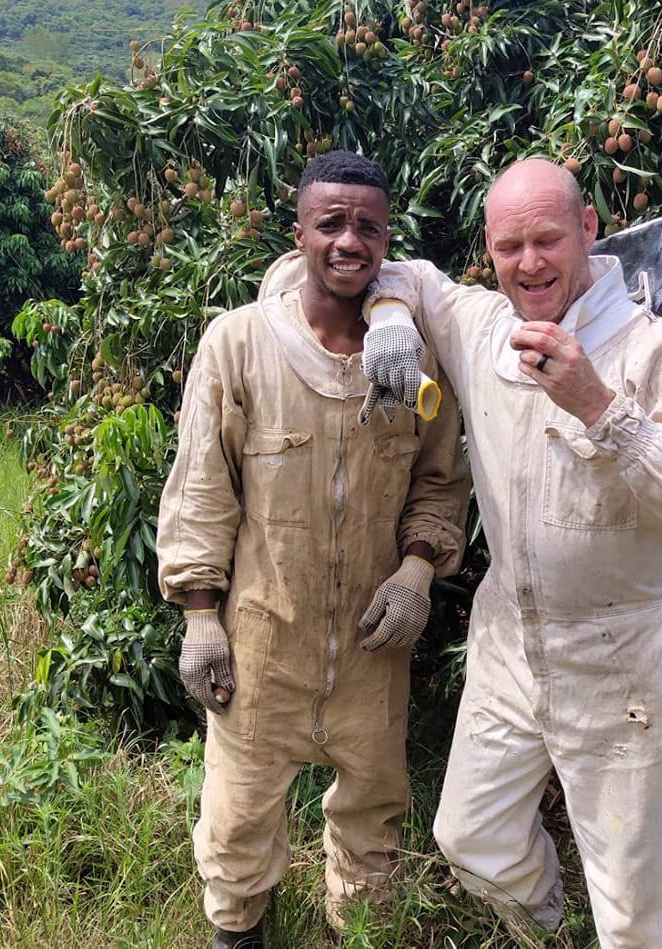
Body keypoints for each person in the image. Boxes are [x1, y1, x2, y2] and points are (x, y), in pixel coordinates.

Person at [266, 158, 662, 948]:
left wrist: (604, 410)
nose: (528, 263)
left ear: (590, 229)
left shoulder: (656, 348)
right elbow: (377, 269)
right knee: (472, 836)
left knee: (635, 902)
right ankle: (551, 934)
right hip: (508, 644)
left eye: (546, 239)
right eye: (508, 246)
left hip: (621, 656)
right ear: (489, 252)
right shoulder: (483, 325)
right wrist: (392, 316)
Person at [156, 151, 470, 949]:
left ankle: (351, 935)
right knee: (236, 824)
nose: (348, 241)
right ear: (297, 233)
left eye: (367, 225)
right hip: (263, 643)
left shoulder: (413, 360)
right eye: (330, 222)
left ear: (386, 239)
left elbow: (441, 482)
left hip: (374, 649)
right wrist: (200, 614)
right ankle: (238, 935)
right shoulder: (237, 344)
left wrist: (416, 571)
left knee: (373, 829)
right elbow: (201, 486)